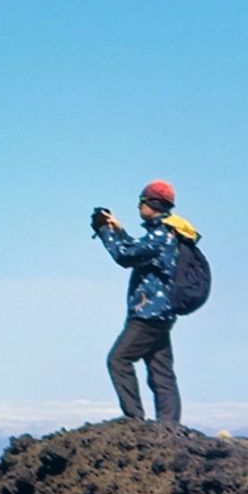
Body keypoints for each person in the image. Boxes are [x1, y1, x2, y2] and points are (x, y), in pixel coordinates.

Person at [91, 180, 200, 425]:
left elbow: (126, 255)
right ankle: (169, 425)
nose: (138, 205)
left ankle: (134, 418)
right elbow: (139, 251)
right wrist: (117, 230)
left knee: (118, 359)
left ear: (152, 203)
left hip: (148, 313)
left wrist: (104, 231)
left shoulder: (162, 235)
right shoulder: (169, 234)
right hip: (162, 313)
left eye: (141, 200)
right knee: (161, 372)